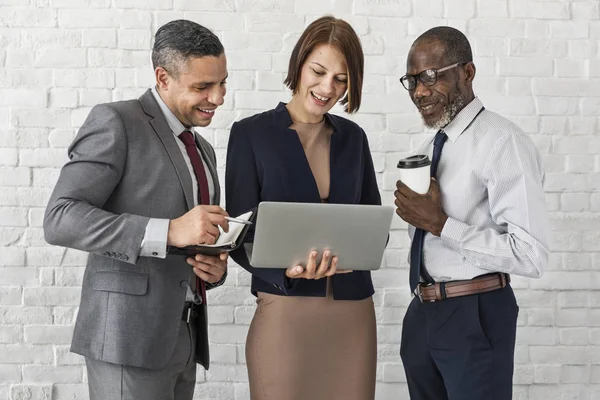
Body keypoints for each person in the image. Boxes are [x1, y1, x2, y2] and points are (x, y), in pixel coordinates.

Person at [43, 20, 231, 400]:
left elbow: (195, 238)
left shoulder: (203, 150)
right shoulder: (117, 122)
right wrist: (168, 231)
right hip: (127, 341)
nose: (219, 97)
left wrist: (213, 270)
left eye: (223, 82)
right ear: (163, 78)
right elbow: (60, 217)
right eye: (203, 87)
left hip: (186, 335)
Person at [225, 15, 380, 400]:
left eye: (341, 79)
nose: (328, 88)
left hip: (352, 314)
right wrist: (286, 271)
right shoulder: (250, 134)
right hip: (285, 311)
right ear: (298, 64)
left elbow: (372, 221)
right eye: (319, 71)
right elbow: (239, 234)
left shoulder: (354, 139)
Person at [394, 26, 549, 399]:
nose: (419, 91)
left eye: (431, 76)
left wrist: (441, 224)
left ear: (467, 72)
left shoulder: (502, 142)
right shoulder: (428, 146)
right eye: (412, 80)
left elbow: (531, 255)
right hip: (423, 313)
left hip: (475, 313)